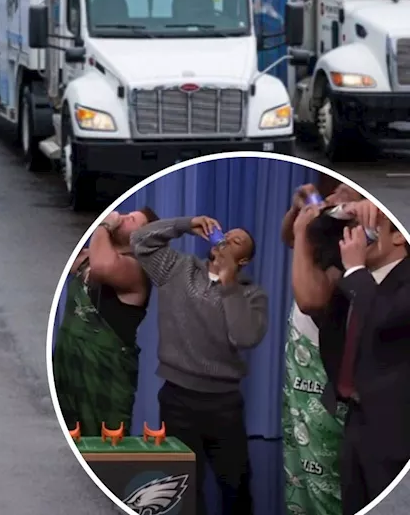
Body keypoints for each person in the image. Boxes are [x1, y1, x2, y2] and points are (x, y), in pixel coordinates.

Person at [131, 213, 269, 515]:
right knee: (183, 488)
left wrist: (229, 283)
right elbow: (139, 240)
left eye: (237, 241)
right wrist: (185, 225)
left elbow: (245, 336)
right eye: (226, 233)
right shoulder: (178, 268)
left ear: (243, 260)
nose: (226, 238)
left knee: (236, 486)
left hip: (224, 405)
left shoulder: (251, 294)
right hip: (177, 398)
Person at [293, 196, 410, 515]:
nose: (356, 236)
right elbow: (323, 233)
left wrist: (357, 267)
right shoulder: (354, 277)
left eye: (369, 229)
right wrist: (346, 209)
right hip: (357, 418)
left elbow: (383, 320)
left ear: (399, 236)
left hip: (396, 429)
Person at [281, 178, 362, 515]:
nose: (337, 194)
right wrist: (299, 212)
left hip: (322, 379)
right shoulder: (331, 228)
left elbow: (313, 298)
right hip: (296, 377)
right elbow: (291, 239)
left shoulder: (357, 244)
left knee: (325, 484)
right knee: (297, 476)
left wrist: (303, 232)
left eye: (348, 189)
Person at [52, 207, 157, 436]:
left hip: (103, 377)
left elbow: (102, 268)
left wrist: (104, 225)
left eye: (132, 220)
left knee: (101, 451)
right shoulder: (95, 252)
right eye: (128, 214)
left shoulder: (137, 270)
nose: (124, 217)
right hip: (67, 369)